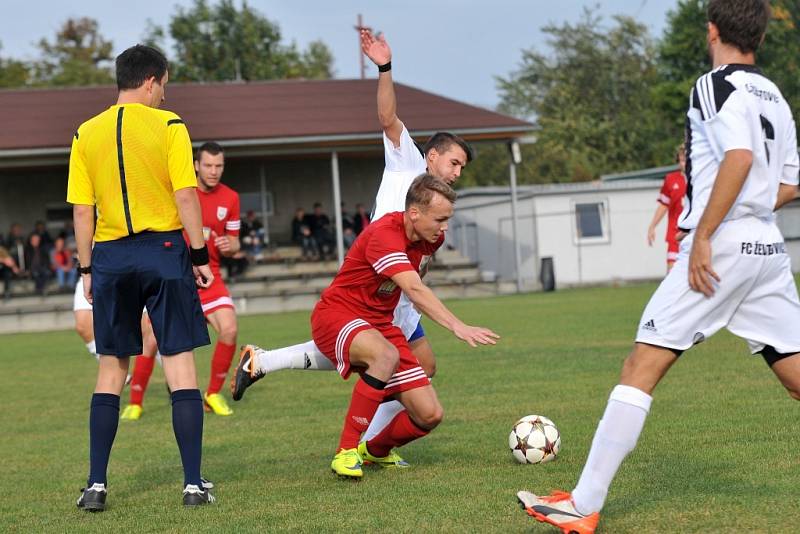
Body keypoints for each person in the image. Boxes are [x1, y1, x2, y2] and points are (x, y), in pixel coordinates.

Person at [517, 2, 800, 532]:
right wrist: (749, 212)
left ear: (713, 30)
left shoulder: (712, 85)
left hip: (725, 245)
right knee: (795, 376)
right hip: (767, 244)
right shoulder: (776, 95)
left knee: (640, 367)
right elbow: (789, 182)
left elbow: (737, 159)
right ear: (759, 33)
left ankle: (582, 505)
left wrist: (707, 235)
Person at [231, 29, 473, 467]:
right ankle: (357, 446)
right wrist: (384, 67)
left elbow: (423, 264)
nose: (457, 172)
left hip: (397, 291)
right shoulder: (408, 159)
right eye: (454, 162)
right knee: (376, 357)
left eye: (461, 167)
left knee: (412, 367)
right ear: (433, 155)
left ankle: (267, 363)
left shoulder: (437, 211)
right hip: (374, 270)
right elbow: (387, 117)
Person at [68, 44, 215, 511]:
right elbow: (186, 197)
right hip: (165, 250)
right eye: (164, 85)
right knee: (180, 364)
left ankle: (96, 485)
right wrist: (200, 254)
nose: (165, 96)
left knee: (111, 369)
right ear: (151, 80)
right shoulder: (169, 126)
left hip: (110, 257)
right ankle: (193, 484)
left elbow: (82, 209)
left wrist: (86, 267)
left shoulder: (84, 132)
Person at [317, 174, 497, 477]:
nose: (445, 228)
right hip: (339, 314)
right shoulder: (384, 235)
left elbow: (416, 275)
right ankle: (346, 451)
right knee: (385, 356)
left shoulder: (431, 239)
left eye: (448, 219)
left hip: (380, 323)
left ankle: (374, 451)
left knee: (430, 414)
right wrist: (458, 326)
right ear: (414, 213)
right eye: (440, 219)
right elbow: (413, 289)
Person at [121, 141, 241, 419]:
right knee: (150, 339)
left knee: (230, 329)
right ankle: (136, 402)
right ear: (197, 166)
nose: (213, 171)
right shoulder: (180, 192)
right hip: (175, 276)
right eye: (208, 165)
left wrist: (229, 246)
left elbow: (235, 244)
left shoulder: (231, 198)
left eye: (219, 166)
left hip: (210, 278)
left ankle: (212, 394)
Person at [647, 143, 687, 270]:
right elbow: (664, 205)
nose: (683, 164)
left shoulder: (700, 179)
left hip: (694, 233)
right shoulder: (671, 179)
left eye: (686, 160)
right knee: (672, 273)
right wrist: (652, 226)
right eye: (681, 160)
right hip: (675, 235)